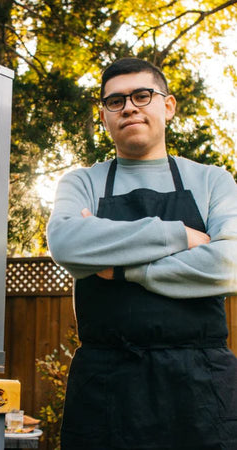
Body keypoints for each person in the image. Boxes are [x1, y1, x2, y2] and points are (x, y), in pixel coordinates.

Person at [47, 57, 237, 450]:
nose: (129, 106)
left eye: (142, 95)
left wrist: (124, 271)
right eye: (115, 101)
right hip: (105, 385)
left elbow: (230, 263)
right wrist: (179, 235)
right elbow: (66, 242)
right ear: (103, 115)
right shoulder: (82, 181)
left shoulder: (211, 179)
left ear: (167, 106)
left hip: (203, 385)